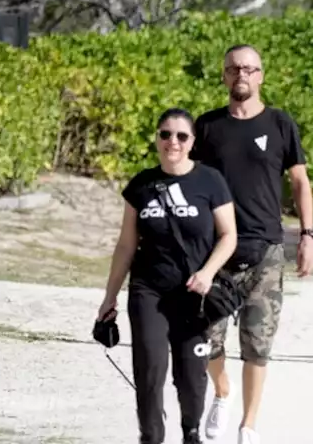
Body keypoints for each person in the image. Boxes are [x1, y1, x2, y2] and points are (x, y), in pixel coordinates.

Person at [190, 44, 313, 444]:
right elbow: (190, 183)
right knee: (205, 339)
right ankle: (223, 391)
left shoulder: (280, 124)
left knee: (257, 344)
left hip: (265, 249)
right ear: (224, 76)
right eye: (233, 69)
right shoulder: (207, 127)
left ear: (261, 75)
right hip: (214, 251)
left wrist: (308, 236)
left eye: (249, 68)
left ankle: (249, 425)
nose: (241, 74)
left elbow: (299, 182)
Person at [97, 108, 238, 444]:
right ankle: (151, 437)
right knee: (149, 369)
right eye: (165, 134)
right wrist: (109, 297)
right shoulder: (141, 186)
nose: (172, 142)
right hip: (149, 291)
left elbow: (229, 235)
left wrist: (207, 273)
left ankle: (191, 432)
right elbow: (126, 245)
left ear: (191, 143)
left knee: (190, 376)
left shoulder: (210, 181)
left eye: (181, 136)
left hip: (194, 295)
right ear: (157, 138)